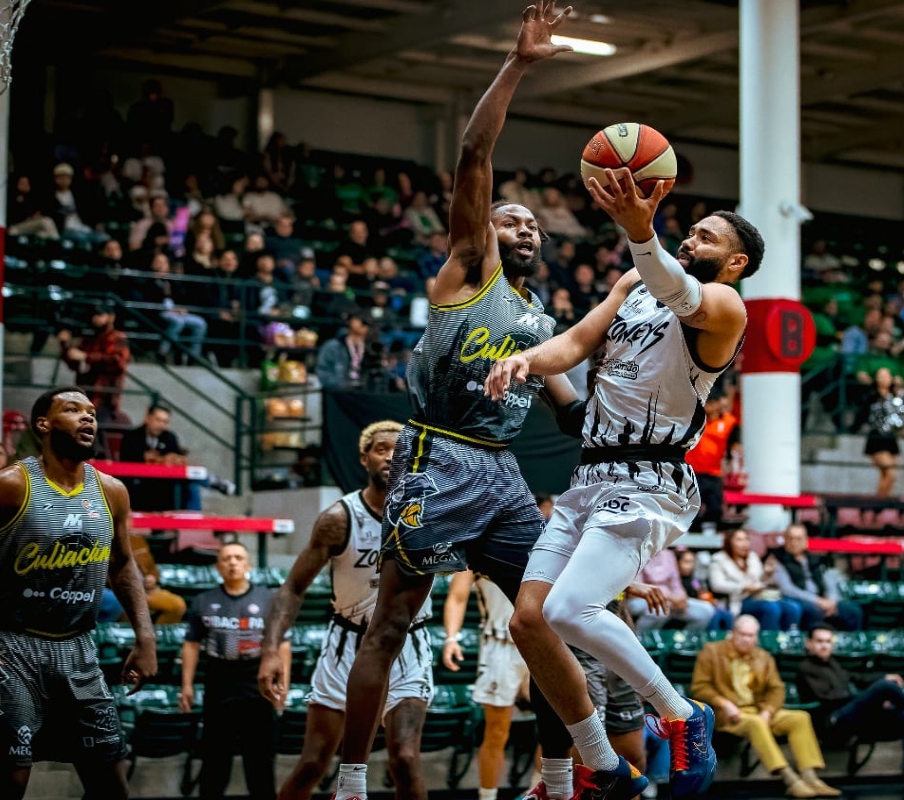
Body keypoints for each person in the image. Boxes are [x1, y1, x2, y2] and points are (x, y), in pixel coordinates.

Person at [337, 10, 587, 800]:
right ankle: (350, 778)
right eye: (510, 217)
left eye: (533, 225)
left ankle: (554, 778)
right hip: (437, 456)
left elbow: (573, 413)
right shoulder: (464, 272)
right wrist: (518, 65)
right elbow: (476, 152)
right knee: (391, 622)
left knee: (542, 621)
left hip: (503, 475)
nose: (524, 228)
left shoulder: (539, 319)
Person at [485, 152, 764, 797]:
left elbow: (677, 289)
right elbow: (577, 343)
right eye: (689, 231)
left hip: (649, 480)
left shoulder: (724, 305)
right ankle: (600, 767)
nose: (693, 238)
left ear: (735, 262)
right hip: (589, 474)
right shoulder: (630, 286)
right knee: (529, 621)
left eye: (707, 237)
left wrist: (643, 231)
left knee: (572, 609)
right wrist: (528, 359)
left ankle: (680, 712)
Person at [0, 386, 157, 800]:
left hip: (80, 649)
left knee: (111, 786)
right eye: (74, 410)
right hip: (13, 649)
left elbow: (124, 565)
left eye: (92, 412)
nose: (88, 418)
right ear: (43, 424)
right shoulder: (8, 486)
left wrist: (145, 638)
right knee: (9, 784)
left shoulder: (111, 491)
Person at [259, 420, 432, 800]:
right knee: (314, 762)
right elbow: (292, 588)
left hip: (407, 643)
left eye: (398, 448)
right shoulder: (339, 519)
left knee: (404, 759)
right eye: (381, 449)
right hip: (347, 642)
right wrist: (271, 650)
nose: (390, 456)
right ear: (363, 458)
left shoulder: (428, 513)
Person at [181, 542, 287, 800]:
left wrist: (283, 685)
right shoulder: (203, 601)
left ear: (248, 564)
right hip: (219, 681)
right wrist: (187, 685)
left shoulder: (268, 599)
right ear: (218, 566)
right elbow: (192, 644)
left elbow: (282, 644)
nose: (232, 563)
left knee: (260, 760)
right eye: (226, 558)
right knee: (215, 759)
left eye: (238, 557)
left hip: (257, 681)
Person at [690, 615, 838, 798]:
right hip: (727, 714)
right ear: (732, 634)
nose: (747, 639)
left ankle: (811, 777)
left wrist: (768, 711)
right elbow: (699, 687)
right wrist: (724, 703)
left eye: (752, 636)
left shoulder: (763, 656)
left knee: (800, 718)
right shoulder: (711, 652)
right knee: (756, 723)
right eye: (743, 634)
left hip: (759, 710)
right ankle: (790, 779)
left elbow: (777, 689)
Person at [796, 625, 904, 793]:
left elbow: (858, 678)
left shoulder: (833, 664)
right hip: (832, 722)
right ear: (809, 643)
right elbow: (828, 700)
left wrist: (882, 679)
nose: (825, 645)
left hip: (854, 719)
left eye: (828, 641)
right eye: (819, 641)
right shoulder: (805, 668)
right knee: (885, 687)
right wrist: (871, 699)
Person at [444, 572, 528, 800]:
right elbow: (457, 596)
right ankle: (487, 797)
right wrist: (451, 639)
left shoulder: (554, 537)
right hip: (500, 644)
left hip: (546, 639)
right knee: (496, 731)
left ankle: (539, 788)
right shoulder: (480, 542)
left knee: (557, 727)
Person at [767, 524, 863, 632]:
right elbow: (787, 589)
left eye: (798, 539)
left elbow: (829, 580)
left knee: (853, 611)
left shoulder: (815, 559)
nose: (794, 543)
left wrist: (831, 601)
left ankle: (852, 645)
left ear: (806, 541)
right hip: (800, 600)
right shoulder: (777, 559)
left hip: (823, 599)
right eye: (790, 539)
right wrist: (817, 601)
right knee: (813, 611)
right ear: (785, 540)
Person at [58, 303, 132, 427]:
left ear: (111, 317)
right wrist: (65, 345)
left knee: (94, 431)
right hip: (84, 394)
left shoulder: (118, 338)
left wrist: (86, 357)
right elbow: (74, 364)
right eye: (94, 315)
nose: (96, 318)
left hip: (104, 397)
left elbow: (117, 361)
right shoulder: (88, 339)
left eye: (100, 315)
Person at [709, 529, 797, 631]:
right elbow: (717, 585)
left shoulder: (752, 557)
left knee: (792, 608)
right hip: (737, 600)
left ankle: (788, 640)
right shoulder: (718, 559)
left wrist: (768, 573)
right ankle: (767, 641)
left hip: (758, 596)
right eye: (739, 540)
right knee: (771, 608)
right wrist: (744, 587)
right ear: (729, 542)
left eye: (746, 539)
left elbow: (760, 580)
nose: (744, 543)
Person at [627, 547, 717, 633]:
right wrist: (669, 598)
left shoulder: (668, 555)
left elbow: (676, 584)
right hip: (642, 599)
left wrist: (681, 599)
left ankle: (686, 643)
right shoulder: (638, 553)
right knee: (660, 610)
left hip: (671, 599)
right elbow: (638, 589)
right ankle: (639, 640)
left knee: (706, 610)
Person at [685, 391, 738, 531]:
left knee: (715, 508)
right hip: (693, 472)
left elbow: (734, 443)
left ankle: (711, 534)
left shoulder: (728, 422)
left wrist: (731, 461)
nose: (711, 407)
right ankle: (692, 536)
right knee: (691, 508)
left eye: (713, 403)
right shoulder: (693, 420)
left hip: (714, 473)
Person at [119, 405, 186, 511]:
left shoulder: (170, 437)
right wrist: (158, 459)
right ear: (148, 418)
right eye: (158, 420)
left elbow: (175, 458)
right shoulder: (132, 436)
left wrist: (166, 459)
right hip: (137, 482)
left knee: (190, 486)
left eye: (165, 422)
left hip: (162, 483)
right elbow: (129, 458)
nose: (161, 425)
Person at [863, 367, 901, 497]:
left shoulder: (895, 397)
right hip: (877, 436)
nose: (884, 379)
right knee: (891, 472)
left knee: (887, 475)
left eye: (887, 375)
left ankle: (882, 501)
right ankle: (879, 502)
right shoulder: (871, 397)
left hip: (891, 437)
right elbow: (866, 416)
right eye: (881, 376)